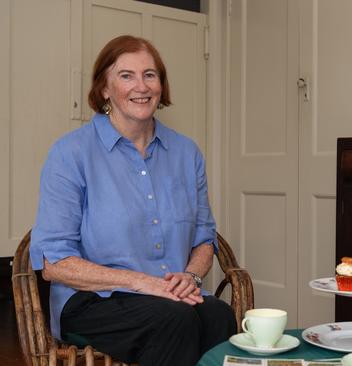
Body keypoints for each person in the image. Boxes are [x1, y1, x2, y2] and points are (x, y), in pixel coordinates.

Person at [30, 35, 236, 365]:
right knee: (174, 319)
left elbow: (204, 238)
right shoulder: (71, 153)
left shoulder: (187, 153)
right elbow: (54, 263)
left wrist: (191, 277)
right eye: (126, 75)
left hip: (170, 295)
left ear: (161, 85)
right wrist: (144, 283)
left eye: (150, 74)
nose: (141, 86)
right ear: (104, 89)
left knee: (218, 315)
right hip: (93, 300)